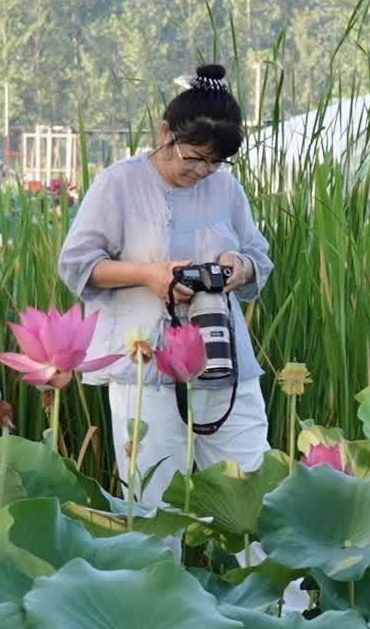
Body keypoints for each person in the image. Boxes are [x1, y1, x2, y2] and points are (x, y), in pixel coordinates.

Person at [59, 64, 273, 516]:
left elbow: (259, 256)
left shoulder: (226, 187)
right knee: (154, 512)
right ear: (165, 133)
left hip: (225, 364)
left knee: (253, 500)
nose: (202, 171)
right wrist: (149, 275)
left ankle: (271, 588)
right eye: (193, 157)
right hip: (145, 371)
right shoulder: (119, 182)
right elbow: (77, 264)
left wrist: (241, 267)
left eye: (215, 162)